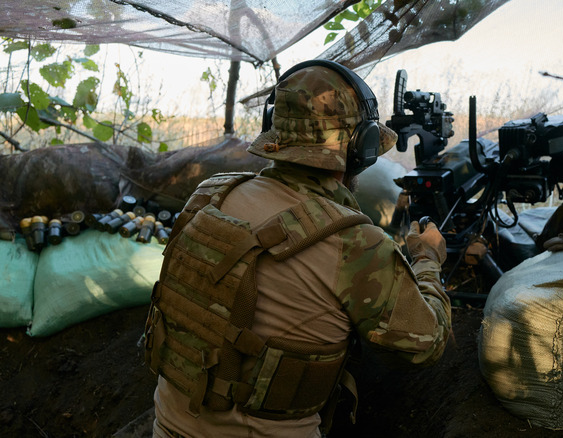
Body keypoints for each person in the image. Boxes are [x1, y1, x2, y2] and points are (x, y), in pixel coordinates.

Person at [144, 59, 452, 438]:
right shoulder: (354, 243)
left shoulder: (210, 193)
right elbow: (425, 344)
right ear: (362, 146)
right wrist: (427, 258)